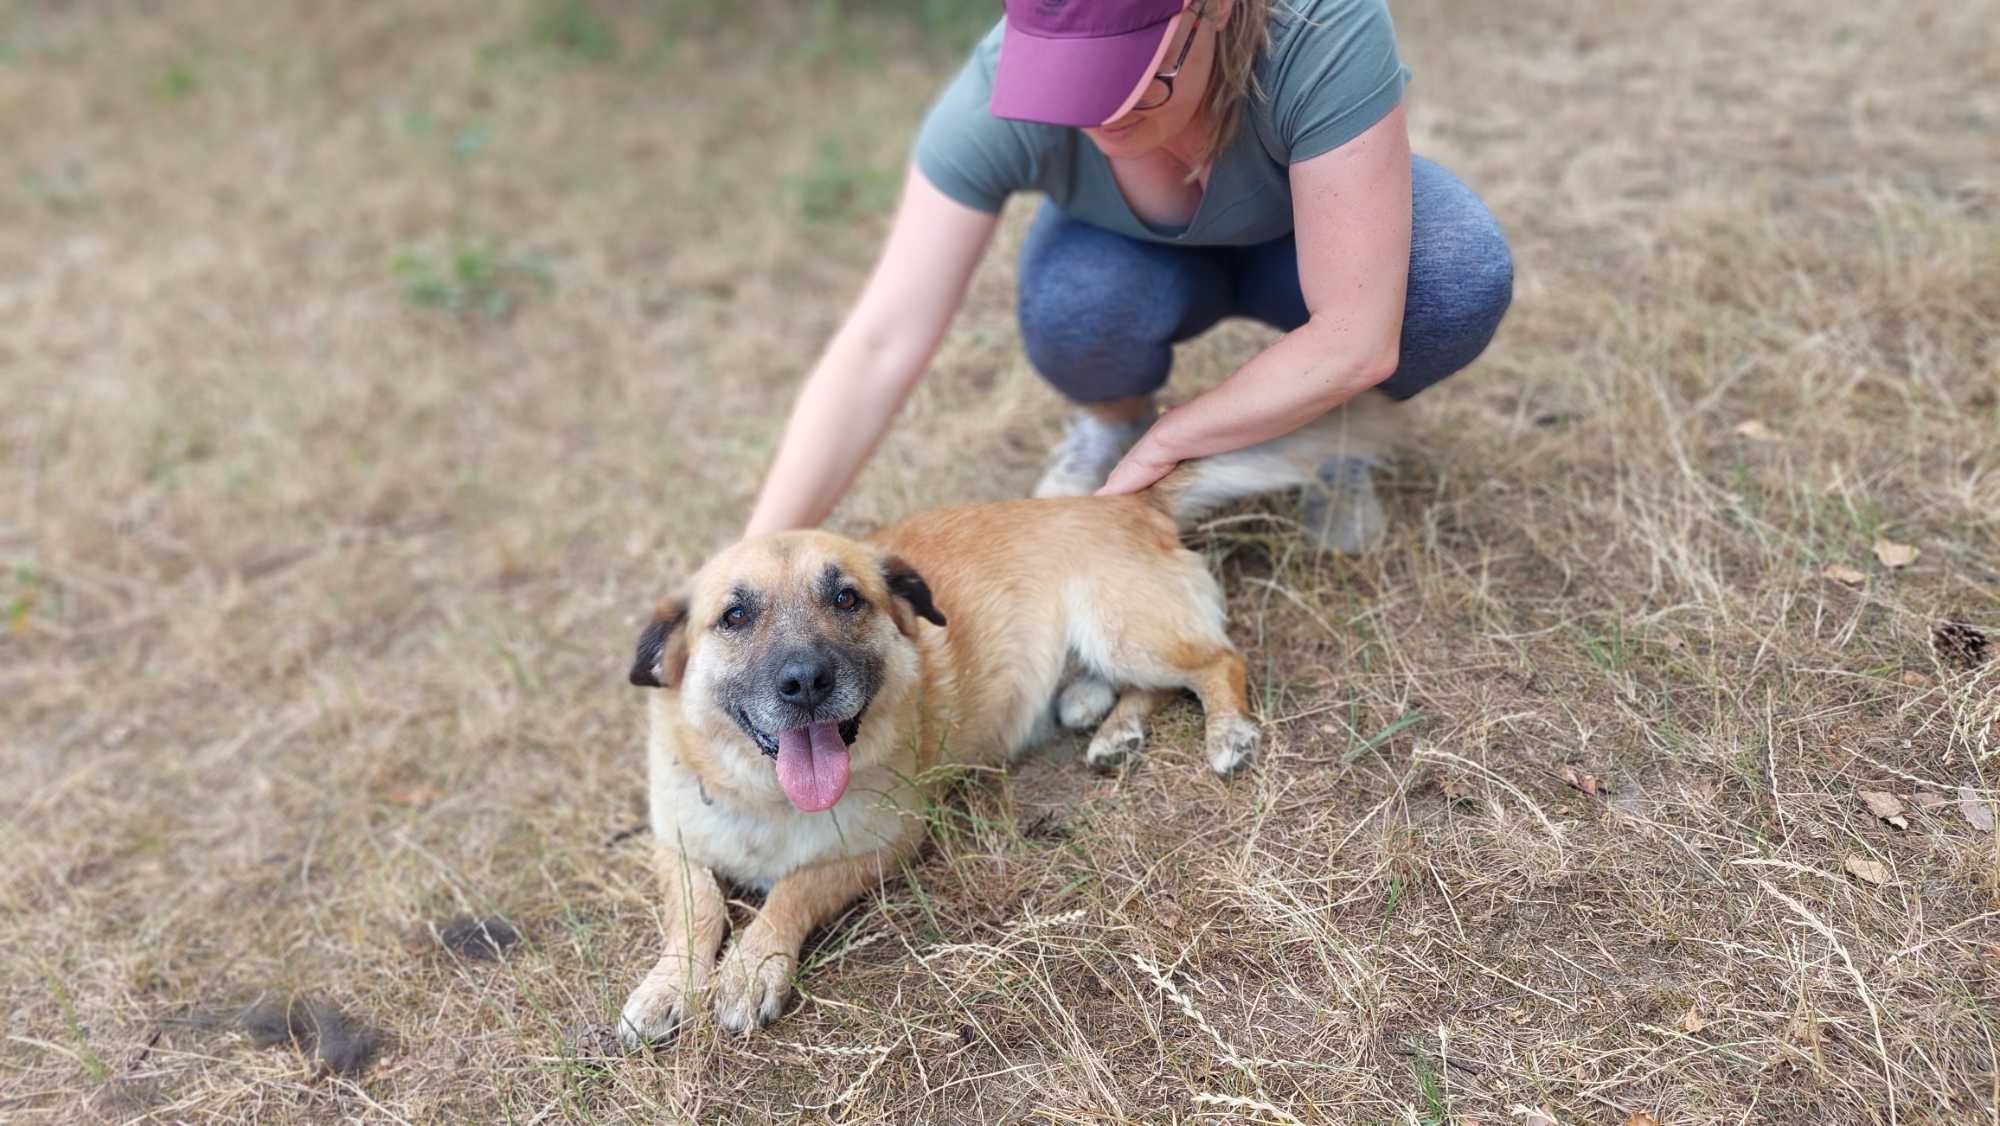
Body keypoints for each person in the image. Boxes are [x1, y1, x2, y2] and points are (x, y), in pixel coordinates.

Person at [743, 0, 1512, 552]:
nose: (1101, 109)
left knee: (1452, 275)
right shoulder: (996, 91)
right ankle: (1114, 419)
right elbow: (883, 337)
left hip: (1306, 238)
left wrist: (1175, 441)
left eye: (1133, 74)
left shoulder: (1322, 26)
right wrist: (750, 565)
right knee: (1076, 308)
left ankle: (1331, 433)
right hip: (1127, 259)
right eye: (1069, 80)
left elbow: (1355, 333)